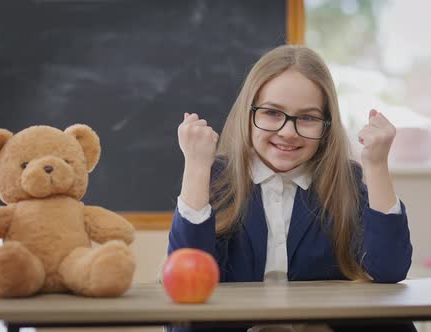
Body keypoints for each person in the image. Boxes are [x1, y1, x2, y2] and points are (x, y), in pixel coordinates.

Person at [168, 45, 415, 332]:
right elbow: (187, 279)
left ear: (327, 125)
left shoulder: (345, 180)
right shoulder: (215, 178)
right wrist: (197, 166)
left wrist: (376, 166)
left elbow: (390, 270)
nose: (287, 132)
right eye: (272, 112)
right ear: (248, 113)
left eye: (308, 118)